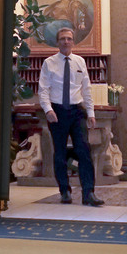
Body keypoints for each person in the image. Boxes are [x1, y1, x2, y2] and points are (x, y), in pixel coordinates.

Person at [38, 27, 104, 206]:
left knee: (84, 150)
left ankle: (88, 193)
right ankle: (65, 191)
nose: (66, 41)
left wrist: (91, 113)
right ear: (57, 42)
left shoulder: (80, 62)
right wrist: (48, 110)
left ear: (73, 42)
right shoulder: (49, 63)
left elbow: (86, 89)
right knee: (59, 153)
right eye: (62, 39)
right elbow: (43, 90)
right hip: (57, 112)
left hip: (76, 111)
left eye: (69, 38)